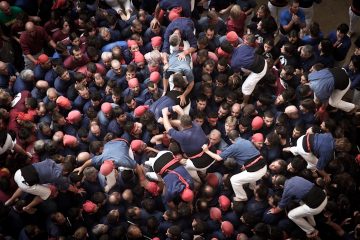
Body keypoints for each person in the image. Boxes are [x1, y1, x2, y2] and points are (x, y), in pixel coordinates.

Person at [202, 130, 267, 202]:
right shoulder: (247, 141)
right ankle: (252, 187)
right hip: (263, 166)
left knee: (234, 180)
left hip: (255, 172)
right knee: (248, 173)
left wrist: (207, 151)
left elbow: (218, 158)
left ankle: (242, 197)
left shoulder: (233, 147)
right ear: (239, 135)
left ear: (230, 140)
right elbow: (251, 155)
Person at [231, 34, 267, 105]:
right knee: (242, 67)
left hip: (260, 71)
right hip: (261, 60)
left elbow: (236, 71)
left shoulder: (234, 62)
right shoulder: (241, 46)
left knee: (245, 88)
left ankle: (245, 102)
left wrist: (235, 75)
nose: (245, 42)